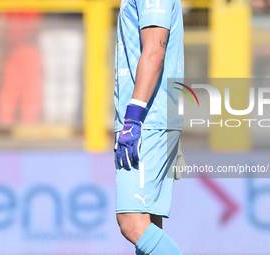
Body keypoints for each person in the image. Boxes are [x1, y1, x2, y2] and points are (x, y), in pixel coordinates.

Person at [114, 0, 184, 254]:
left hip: (146, 121)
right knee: (148, 223)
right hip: (153, 119)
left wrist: (133, 117)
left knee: (132, 223)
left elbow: (155, 50)